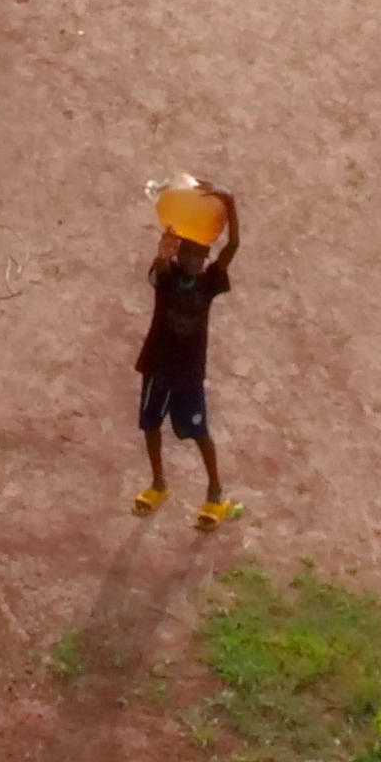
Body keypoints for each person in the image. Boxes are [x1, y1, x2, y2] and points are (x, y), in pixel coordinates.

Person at [132, 184, 242, 526]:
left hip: (188, 375)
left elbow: (234, 245)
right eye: (190, 255)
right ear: (180, 256)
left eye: (202, 256)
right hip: (158, 368)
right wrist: (162, 252)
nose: (197, 260)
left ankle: (215, 495)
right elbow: (155, 272)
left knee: (199, 433)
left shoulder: (210, 282)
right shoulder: (166, 278)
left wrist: (231, 203)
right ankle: (158, 484)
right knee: (150, 425)